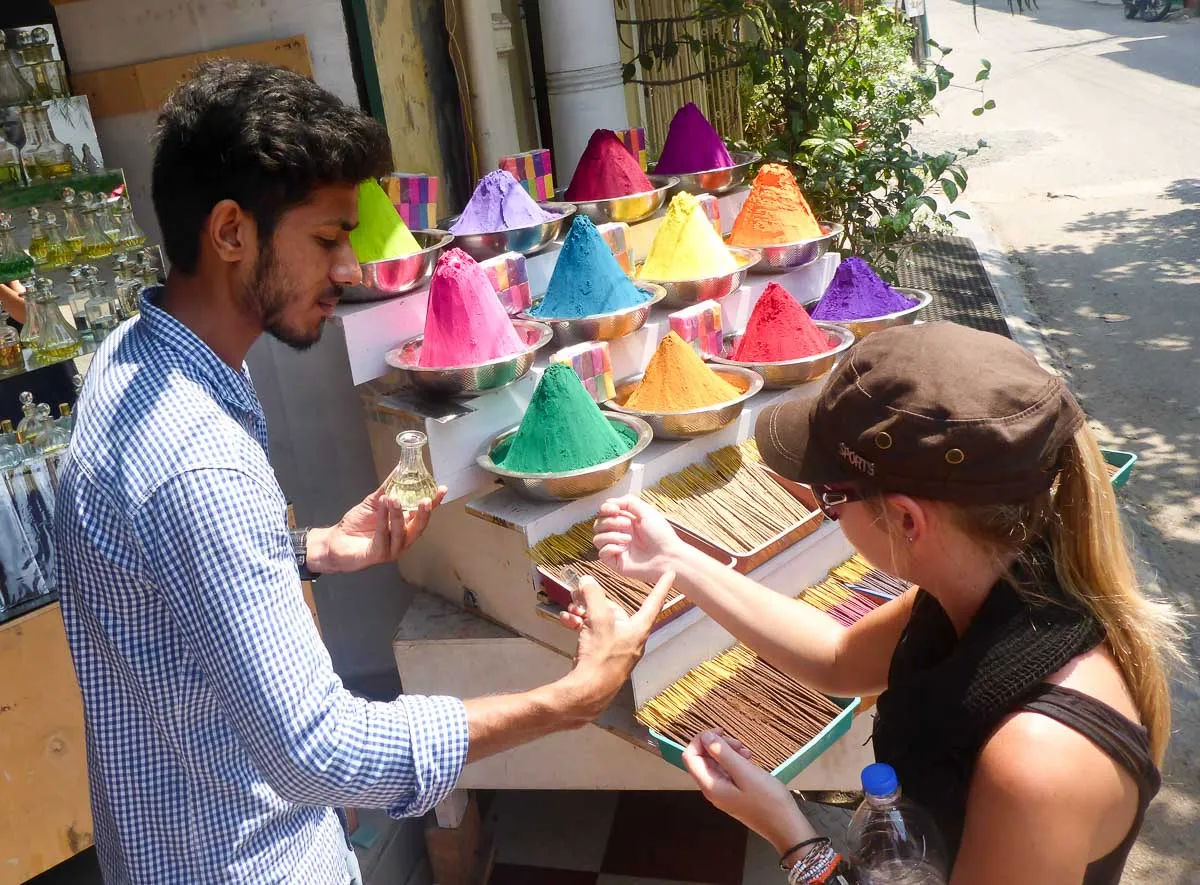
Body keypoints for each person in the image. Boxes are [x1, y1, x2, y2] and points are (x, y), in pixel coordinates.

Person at [53, 59, 675, 884]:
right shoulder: (194, 458)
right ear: (232, 232)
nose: (348, 271)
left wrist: (310, 547)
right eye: (327, 238)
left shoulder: (134, 358)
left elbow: (163, 579)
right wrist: (568, 698)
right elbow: (317, 751)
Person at [590, 322, 1182, 885]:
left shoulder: (1035, 762)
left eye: (829, 494)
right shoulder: (993, 583)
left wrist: (796, 841)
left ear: (905, 518)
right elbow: (838, 658)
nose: (825, 508)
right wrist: (679, 561)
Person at [0, 280, 79, 426]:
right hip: (9, 390)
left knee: (70, 426)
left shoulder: (11, 268)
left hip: (48, 376)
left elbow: (35, 318)